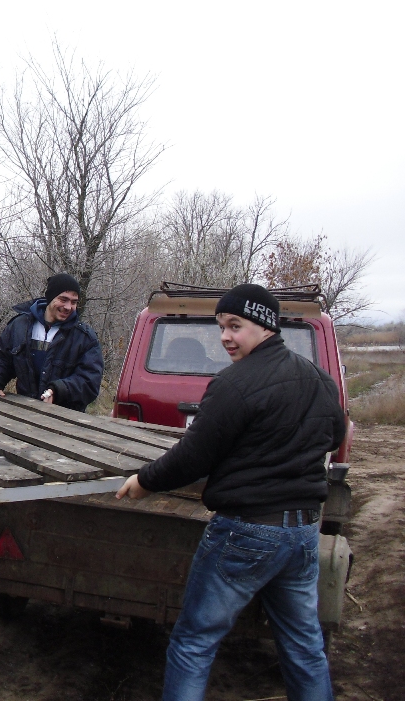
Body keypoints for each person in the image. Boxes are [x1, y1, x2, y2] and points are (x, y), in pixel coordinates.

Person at [115, 283, 345, 701]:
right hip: (303, 533)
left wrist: (144, 481)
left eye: (235, 326)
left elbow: (192, 458)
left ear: (265, 325)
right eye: (222, 326)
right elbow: (332, 437)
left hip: (247, 533)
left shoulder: (234, 384)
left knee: (193, 643)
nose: (225, 336)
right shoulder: (320, 381)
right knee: (304, 647)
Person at [0, 272, 103, 411]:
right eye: (63, 300)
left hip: (67, 419)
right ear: (50, 298)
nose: (68, 307)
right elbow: (3, 359)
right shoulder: (19, 326)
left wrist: (59, 390)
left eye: (74, 302)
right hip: (23, 410)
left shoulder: (85, 337)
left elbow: (90, 382)